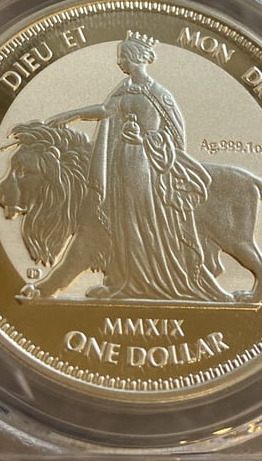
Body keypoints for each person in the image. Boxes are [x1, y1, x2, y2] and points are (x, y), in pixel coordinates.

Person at [47, 31, 229, 301]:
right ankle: (125, 281)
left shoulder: (160, 95)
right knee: (124, 223)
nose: (119, 62)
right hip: (122, 164)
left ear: (135, 57)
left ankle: (154, 281)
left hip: (147, 167)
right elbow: (105, 111)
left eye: (122, 57)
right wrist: (71, 115)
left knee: (143, 223)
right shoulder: (124, 88)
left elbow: (175, 138)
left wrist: (144, 140)